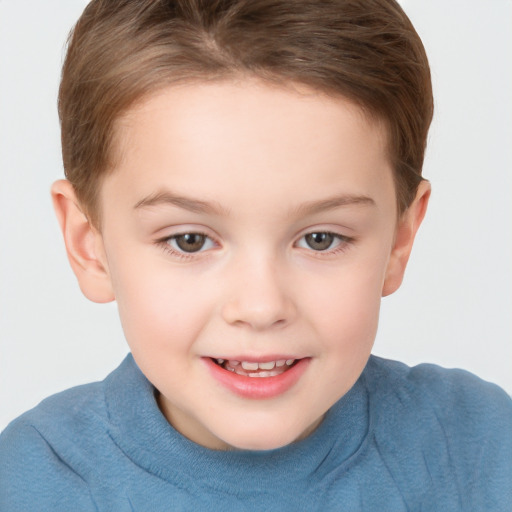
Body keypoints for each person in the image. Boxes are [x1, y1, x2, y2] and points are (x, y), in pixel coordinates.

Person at [0, 0, 510, 510]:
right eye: (190, 240)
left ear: (400, 238)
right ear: (89, 244)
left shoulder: (479, 451)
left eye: (320, 239)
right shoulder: (31, 481)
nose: (262, 307)